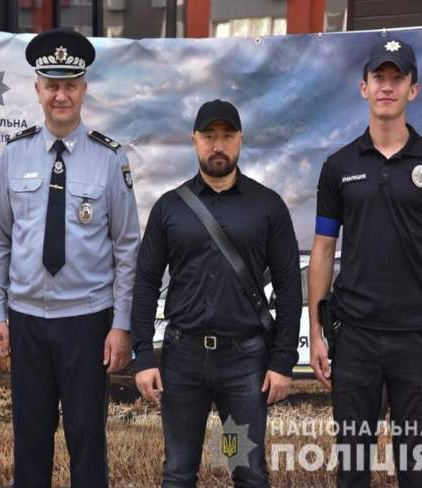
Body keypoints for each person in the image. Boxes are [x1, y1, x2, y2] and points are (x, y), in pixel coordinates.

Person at [0, 28, 140, 488]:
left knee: (87, 439)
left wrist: (121, 324)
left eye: (70, 84)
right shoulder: (13, 156)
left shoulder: (111, 159)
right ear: (37, 89)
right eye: (51, 85)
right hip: (27, 319)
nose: (61, 95)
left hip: (87, 320)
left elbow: (127, 246)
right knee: (30, 440)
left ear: (84, 89)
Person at [309, 38, 422, 487]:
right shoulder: (337, 166)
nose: (387, 86)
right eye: (379, 77)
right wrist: (317, 334)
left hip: (415, 342)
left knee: (417, 473)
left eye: (398, 78)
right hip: (354, 340)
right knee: (352, 472)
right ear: (363, 88)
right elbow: (322, 250)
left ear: (413, 90)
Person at [132, 99, 302, 488]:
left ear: (240, 140)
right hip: (183, 359)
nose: (218, 145)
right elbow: (145, 281)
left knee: (246, 472)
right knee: (178, 472)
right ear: (194, 141)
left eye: (227, 136)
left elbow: (290, 286)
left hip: (244, 363)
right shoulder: (169, 208)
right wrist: (143, 355)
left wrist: (283, 361)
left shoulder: (268, 206)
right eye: (209, 136)